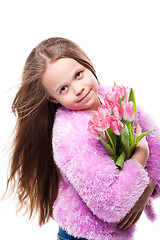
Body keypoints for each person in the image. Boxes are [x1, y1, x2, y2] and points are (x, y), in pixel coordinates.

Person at [6, 37, 160, 240]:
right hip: (84, 235)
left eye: (78, 75)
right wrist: (141, 154)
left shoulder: (116, 98)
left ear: (87, 65)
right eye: (63, 88)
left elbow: (156, 151)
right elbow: (110, 204)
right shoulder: (69, 137)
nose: (78, 89)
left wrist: (148, 187)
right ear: (53, 98)